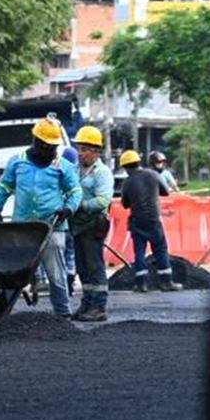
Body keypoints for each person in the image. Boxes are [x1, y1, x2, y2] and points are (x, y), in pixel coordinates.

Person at [0, 119, 83, 316]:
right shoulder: (17, 161)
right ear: (36, 141)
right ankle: (2, 316)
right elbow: (4, 186)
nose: (50, 151)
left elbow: (75, 191)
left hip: (53, 228)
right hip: (22, 229)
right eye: (46, 146)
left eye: (53, 147)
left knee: (57, 275)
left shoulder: (62, 166)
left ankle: (63, 314)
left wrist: (69, 208)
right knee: (13, 273)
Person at [69, 126, 115, 321]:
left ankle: (99, 306)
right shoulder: (75, 169)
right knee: (82, 266)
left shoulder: (101, 173)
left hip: (93, 225)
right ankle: (87, 303)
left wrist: (80, 205)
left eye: (84, 150)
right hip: (77, 226)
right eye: (78, 148)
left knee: (94, 266)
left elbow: (103, 200)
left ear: (95, 151)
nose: (79, 153)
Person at [119, 149, 179, 291]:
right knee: (160, 249)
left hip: (137, 221)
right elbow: (165, 191)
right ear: (138, 162)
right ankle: (166, 282)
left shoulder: (127, 182)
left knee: (139, 252)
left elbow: (125, 203)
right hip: (153, 219)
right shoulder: (153, 175)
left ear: (126, 167)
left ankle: (141, 284)